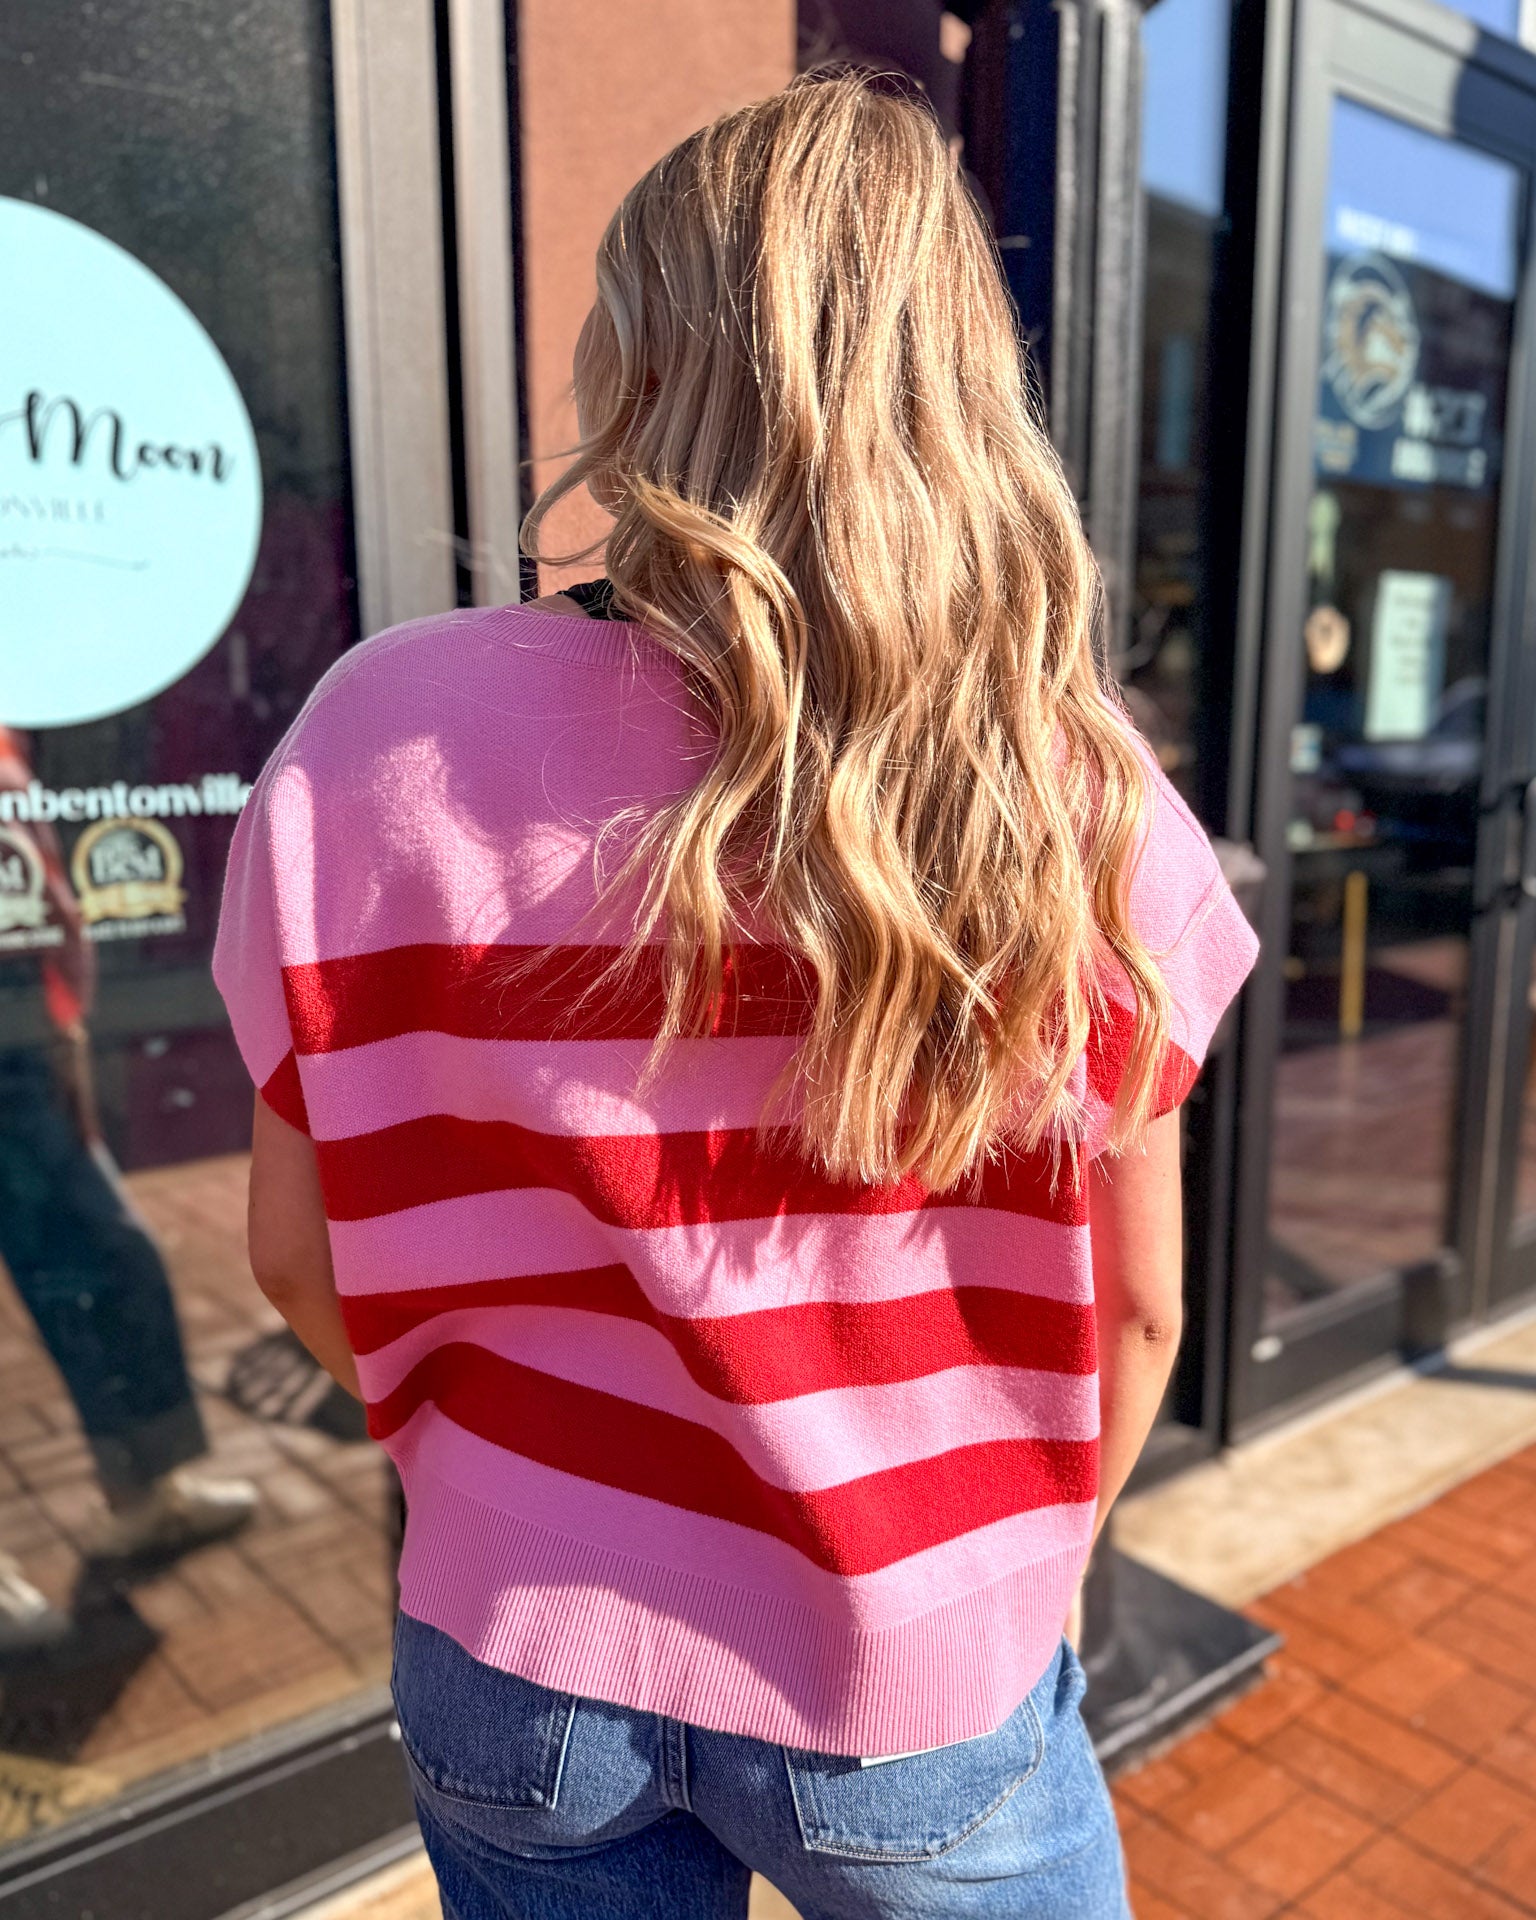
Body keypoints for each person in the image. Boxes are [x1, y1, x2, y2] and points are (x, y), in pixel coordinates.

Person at [214, 71, 1258, 1920]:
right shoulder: (1077, 798)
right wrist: (1008, 1590)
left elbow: (299, 1259)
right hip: (919, 1674)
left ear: (637, 363)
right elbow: (1146, 1320)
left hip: (516, 1650)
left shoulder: (375, 734)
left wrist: (511, 1492)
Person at [0, 727, 256, 1656]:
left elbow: (36, 893)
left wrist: (62, 1021)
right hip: (21, 1032)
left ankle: (145, 1492)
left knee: (112, 1257)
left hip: (19, 1034)